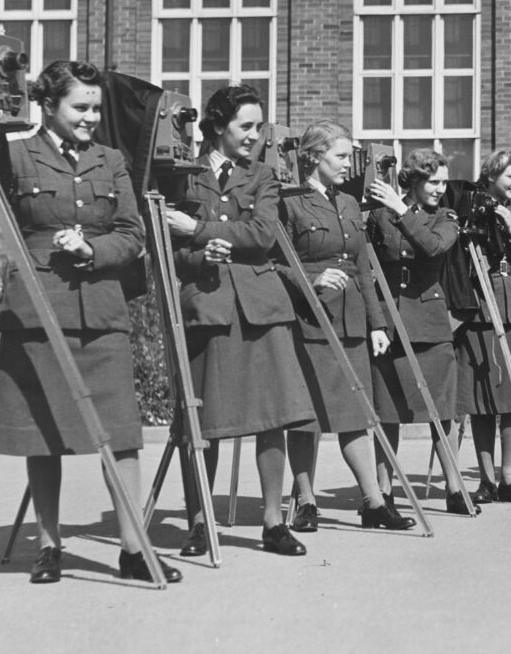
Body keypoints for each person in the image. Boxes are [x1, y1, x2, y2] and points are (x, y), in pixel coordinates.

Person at [0, 60, 181, 584]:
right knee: (43, 434)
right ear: (48, 105)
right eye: (80, 107)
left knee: (122, 434)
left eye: (96, 107)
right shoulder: (13, 154)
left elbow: (132, 234)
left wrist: (93, 248)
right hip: (38, 309)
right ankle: (49, 546)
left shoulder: (111, 159)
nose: (92, 116)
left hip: (100, 310)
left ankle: (134, 549)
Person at [164, 84, 317, 558]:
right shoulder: (182, 177)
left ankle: (274, 523)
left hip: (260, 309)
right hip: (207, 307)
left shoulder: (264, 176)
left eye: (259, 126)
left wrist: (199, 229)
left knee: (272, 417)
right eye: (245, 126)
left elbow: (264, 234)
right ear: (216, 126)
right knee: (201, 423)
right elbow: (166, 250)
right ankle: (198, 523)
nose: (255, 135)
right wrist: (196, 253)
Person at [278, 120, 415, 530]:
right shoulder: (288, 202)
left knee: (356, 412)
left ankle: (373, 502)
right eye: (340, 155)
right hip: (310, 318)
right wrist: (310, 279)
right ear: (314, 157)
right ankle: (305, 501)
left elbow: (363, 268)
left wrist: (376, 323)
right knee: (309, 415)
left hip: (352, 320)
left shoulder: (350, 205)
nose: (347, 164)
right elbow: (272, 263)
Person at [365, 148, 476, 515]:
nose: (440, 189)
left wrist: (402, 209)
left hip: (429, 320)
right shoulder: (379, 215)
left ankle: (454, 487)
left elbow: (432, 248)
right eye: (433, 181)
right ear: (413, 179)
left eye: (444, 182)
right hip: (389, 319)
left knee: (441, 408)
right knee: (387, 408)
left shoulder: (446, 216)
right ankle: (384, 491)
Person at [455, 149, 511, 505]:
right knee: (483, 399)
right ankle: (486, 479)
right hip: (480, 309)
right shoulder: (468, 206)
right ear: (492, 175)